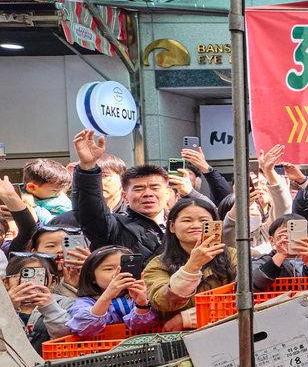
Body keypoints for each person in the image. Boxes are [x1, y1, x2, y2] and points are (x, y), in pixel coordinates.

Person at [72, 130, 170, 270]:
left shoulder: (182, 224)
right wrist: (87, 169)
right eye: (138, 189)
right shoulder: (114, 226)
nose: (148, 194)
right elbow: (91, 211)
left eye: (155, 188)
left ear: (168, 193)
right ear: (125, 196)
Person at [143, 196, 234, 328]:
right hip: (179, 337)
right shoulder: (157, 264)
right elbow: (161, 302)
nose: (196, 225)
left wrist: (188, 317)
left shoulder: (232, 255)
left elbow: (247, 294)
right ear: (172, 226)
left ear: (216, 225)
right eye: (187, 220)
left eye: (204, 220)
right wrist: (192, 266)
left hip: (227, 328)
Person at [65, 245, 159, 338]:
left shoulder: (137, 296)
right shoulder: (86, 302)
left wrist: (142, 304)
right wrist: (107, 296)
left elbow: (143, 326)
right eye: (109, 269)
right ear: (92, 276)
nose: (117, 274)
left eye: (123, 268)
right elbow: (83, 328)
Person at [4, 253, 71, 342]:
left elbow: (66, 336)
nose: (30, 283)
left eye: (38, 276)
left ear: (53, 282)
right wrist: (8, 308)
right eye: (24, 276)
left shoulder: (65, 303)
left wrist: (50, 308)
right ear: (6, 283)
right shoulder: (2, 306)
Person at [251, 214, 308, 290]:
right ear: (272, 240)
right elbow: (249, 285)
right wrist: (280, 255)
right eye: (285, 232)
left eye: (295, 233)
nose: (289, 236)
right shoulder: (263, 261)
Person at [21, 159, 72, 224]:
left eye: (61, 189)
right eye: (55, 190)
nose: (59, 193)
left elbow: (53, 224)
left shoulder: (62, 203)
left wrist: (34, 208)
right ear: (32, 187)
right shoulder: (17, 195)